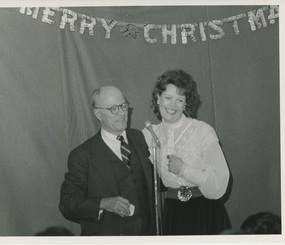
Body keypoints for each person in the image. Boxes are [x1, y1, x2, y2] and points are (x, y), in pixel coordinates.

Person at [142, 69, 231, 235]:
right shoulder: (148, 135)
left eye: (180, 100)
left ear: (186, 103)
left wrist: (184, 170)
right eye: (168, 98)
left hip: (206, 212)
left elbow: (219, 183)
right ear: (158, 98)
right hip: (173, 213)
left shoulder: (203, 130)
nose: (173, 105)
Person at [59, 86, 155, 236]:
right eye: (113, 109)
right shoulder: (82, 155)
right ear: (98, 114)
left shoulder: (139, 138)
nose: (122, 113)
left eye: (123, 106)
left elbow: (156, 181)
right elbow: (67, 204)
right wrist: (103, 203)